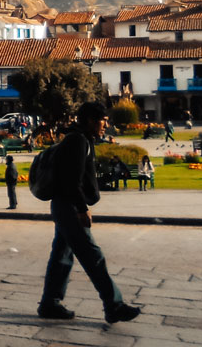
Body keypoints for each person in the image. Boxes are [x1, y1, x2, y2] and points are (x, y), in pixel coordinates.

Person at [38, 102, 141, 324]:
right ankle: (113, 305)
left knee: (62, 256)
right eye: (103, 120)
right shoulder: (77, 141)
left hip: (64, 205)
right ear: (91, 121)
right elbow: (70, 181)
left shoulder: (78, 139)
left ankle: (50, 303)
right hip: (70, 207)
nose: (105, 125)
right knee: (93, 256)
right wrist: (82, 209)